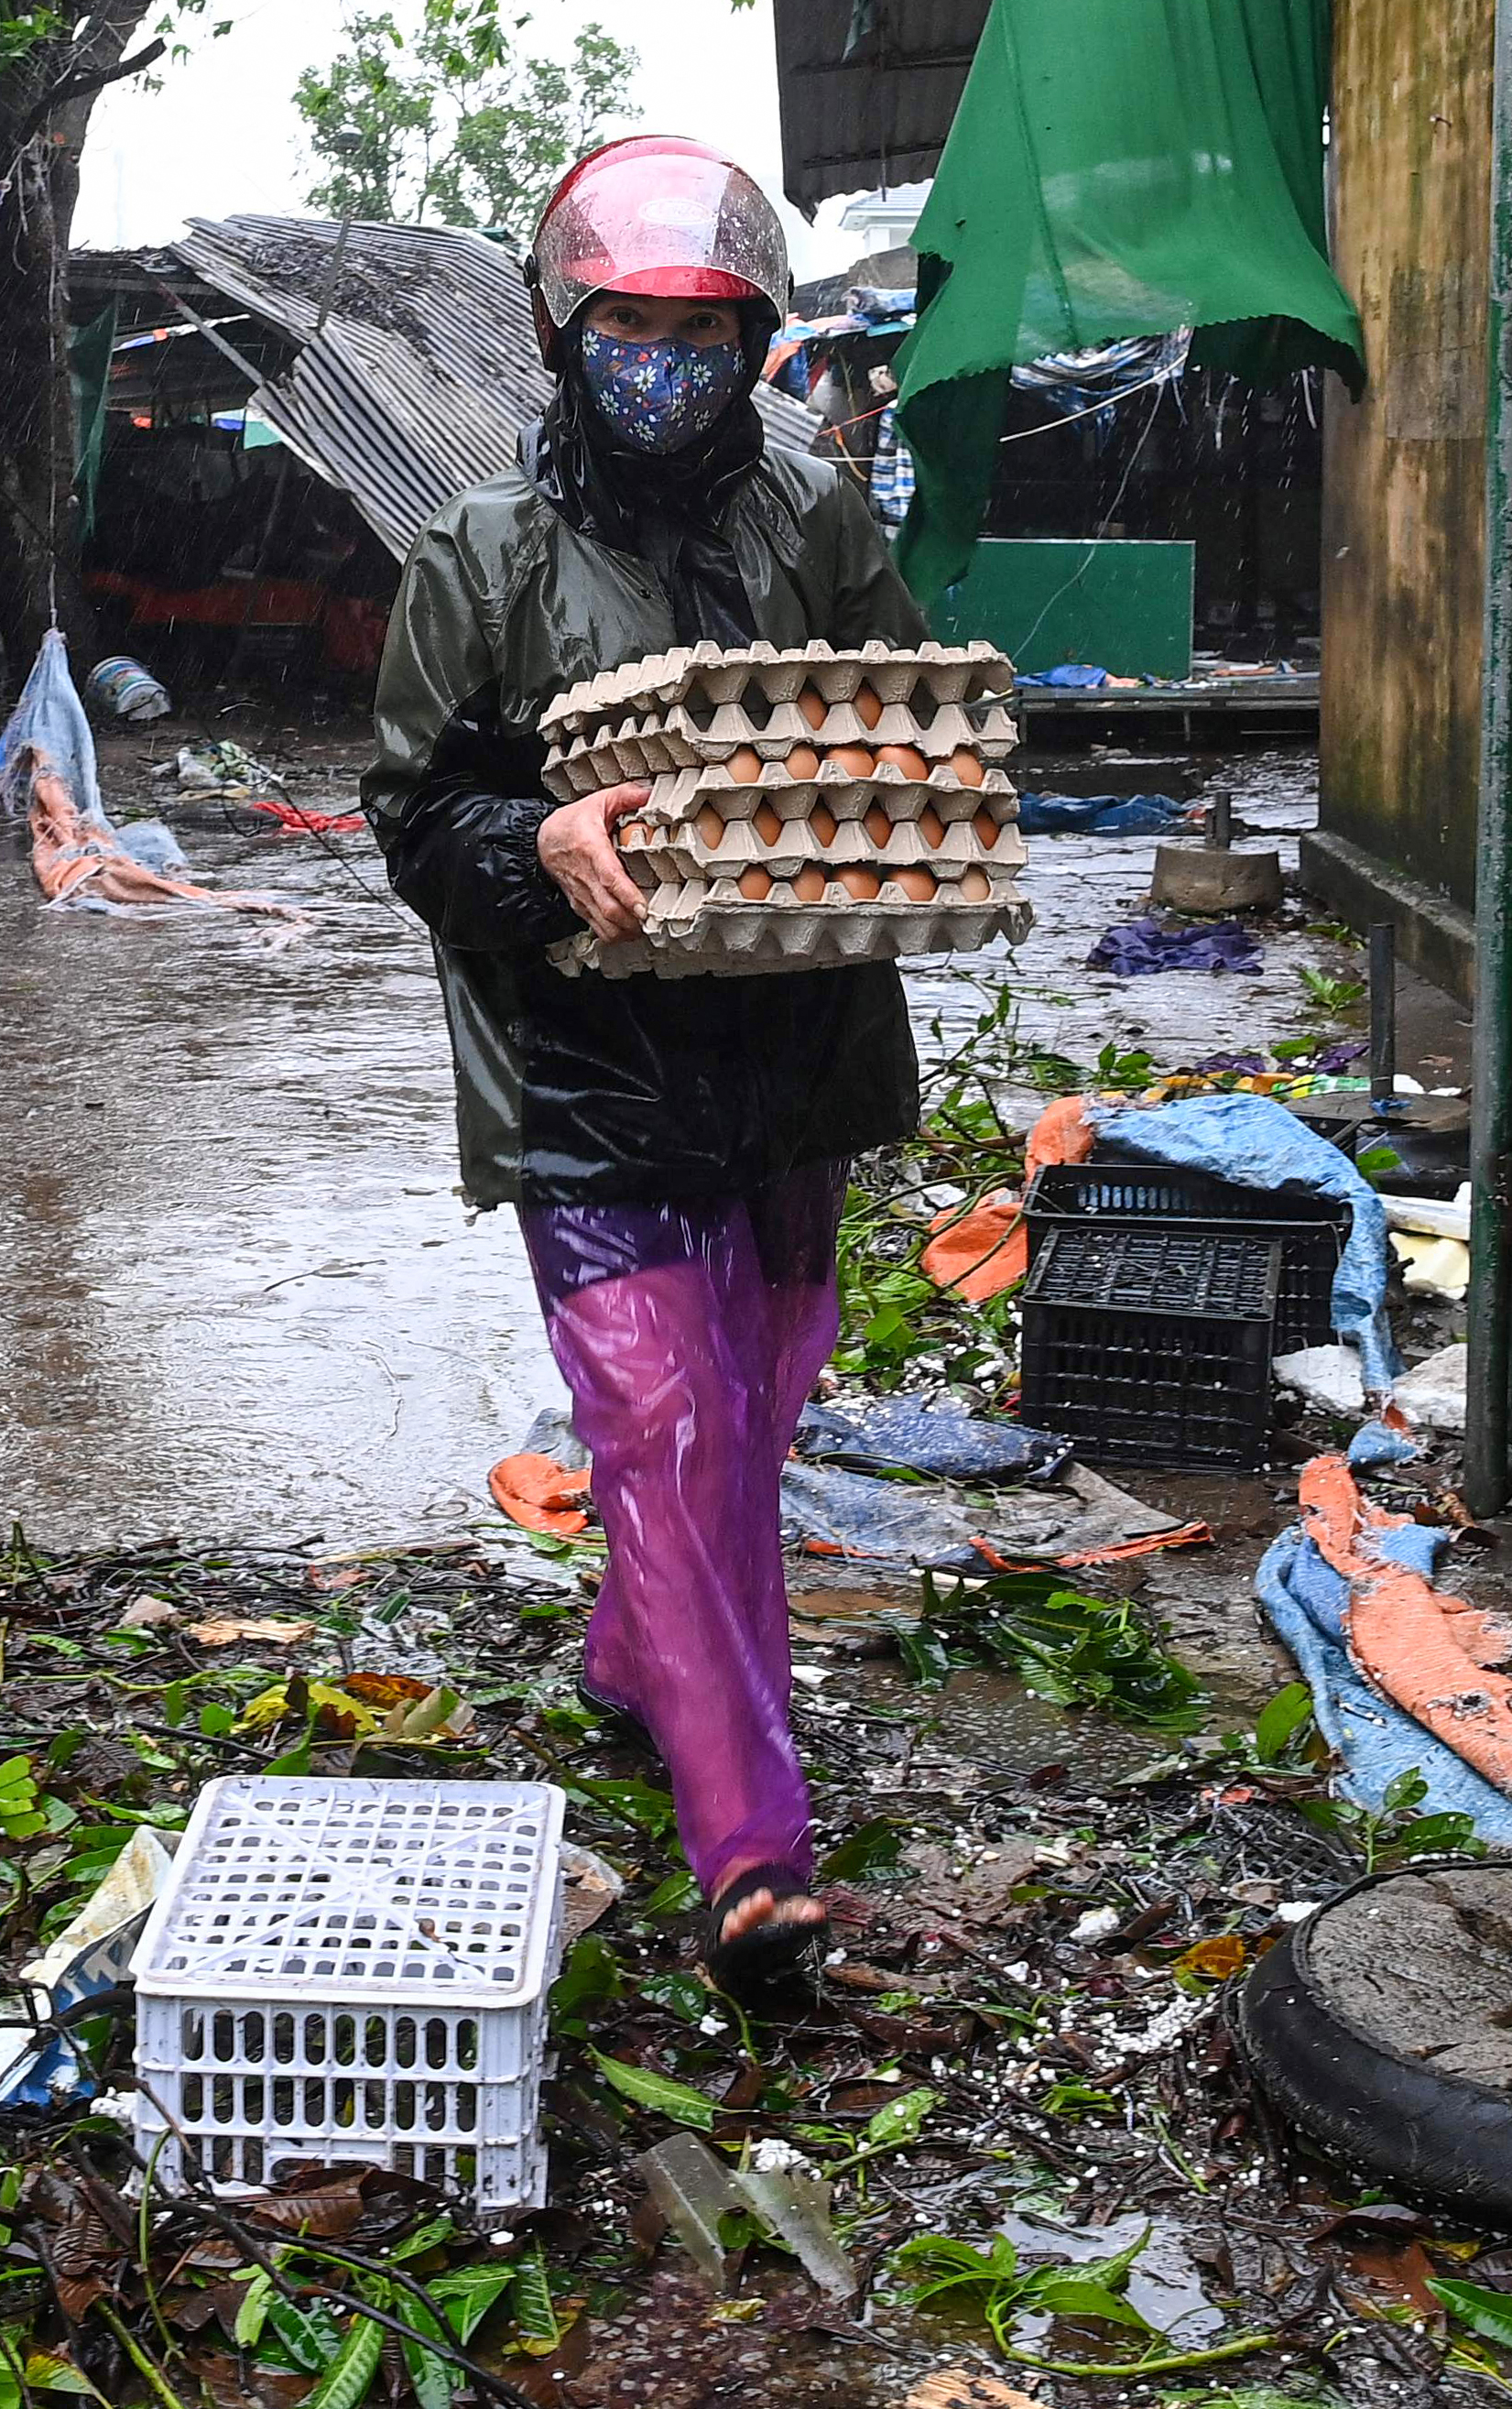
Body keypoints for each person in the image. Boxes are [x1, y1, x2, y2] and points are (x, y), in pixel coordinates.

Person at [363, 134, 922, 2012]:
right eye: (629, 333)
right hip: (585, 1069)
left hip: (790, 1051)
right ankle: (750, 1851)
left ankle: (635, 1650)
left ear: (755, 341)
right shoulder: (480, 553)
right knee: (662, 1431)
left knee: (751, 1416)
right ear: (560, 329)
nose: (664, 370)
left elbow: (903, 730)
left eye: (701, 336)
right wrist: (539, 842)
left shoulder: (816, 522)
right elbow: (412, 808)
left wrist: (889, 821)